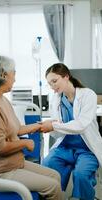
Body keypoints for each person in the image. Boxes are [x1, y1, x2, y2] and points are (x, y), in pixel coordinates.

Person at [0, 55, 62, 200]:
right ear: (3, 75)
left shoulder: (2, 99)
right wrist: (25, 143)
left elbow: (16, 129)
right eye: (13, 73)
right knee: (52, 186)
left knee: (55, 175)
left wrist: (40, 125)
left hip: (16, 164)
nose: (15, 78)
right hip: (0, 172)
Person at [41, 63, 102, 200]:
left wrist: (53, 126)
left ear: (66, 77)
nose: (52, 86)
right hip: (65, 147)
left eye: (54, 81)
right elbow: (58, 131)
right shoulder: (56, 100)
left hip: (87, 149)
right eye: (49, 84)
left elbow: (81, 125)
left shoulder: (88, 95)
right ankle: (54, 196)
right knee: (47, 166)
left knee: (80, 175)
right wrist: (49, 127)